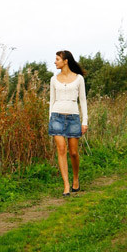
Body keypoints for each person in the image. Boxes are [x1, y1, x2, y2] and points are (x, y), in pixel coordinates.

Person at [48, 50, 88, 196]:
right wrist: (50, 120)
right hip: (56, 117)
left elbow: (82, 100)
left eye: (57, 59)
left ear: (66, 61)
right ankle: (66, 185)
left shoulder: (78, 79)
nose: (55, 62)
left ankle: (75, 178)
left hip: (73, 118)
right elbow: (51, 101)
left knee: (73, 152)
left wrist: (85, 122)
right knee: (61, 149)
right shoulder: (53, 79)